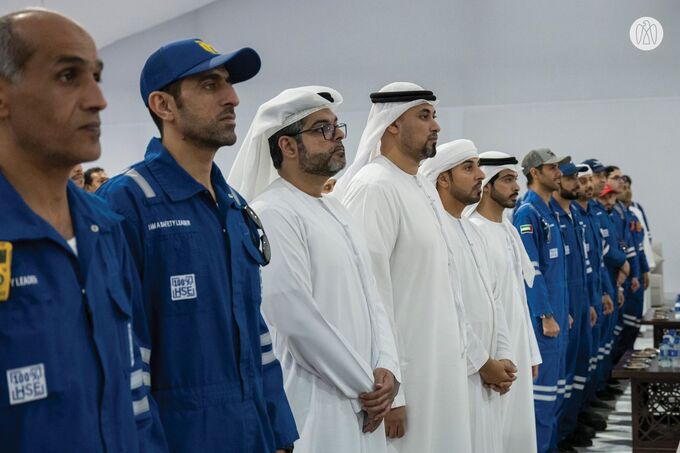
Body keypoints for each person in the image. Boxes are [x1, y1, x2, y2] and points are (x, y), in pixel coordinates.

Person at [97, 39, 297, 453]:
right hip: (180, 437)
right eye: (210, 85)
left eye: (228, 83)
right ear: (163, 105)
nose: (232, 97)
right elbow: (121, 357)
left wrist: (277, 428)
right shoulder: (127, 204)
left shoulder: (232, 205)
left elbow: (255, 329)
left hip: (251, 430)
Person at [0, 9, 165, 451]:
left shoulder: (105, 229)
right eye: (69, 76)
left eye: (96, 76)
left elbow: (135, 396)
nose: (98, 99)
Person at [229, 85, 400, 452]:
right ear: (287, 146)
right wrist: (365, 385)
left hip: (366, 398)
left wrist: (388, 366)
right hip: (318, 400)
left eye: (337, 126)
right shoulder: (272, 211)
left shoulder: (335, 208)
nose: (337, 135)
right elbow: (295, 317)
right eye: (322, 128)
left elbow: (374, 299)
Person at [339, 82, 474, 452]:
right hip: (407, 382)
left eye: (435, 116)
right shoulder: (374, 187)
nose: (437, 126)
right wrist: (394, 394)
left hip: (440, 369)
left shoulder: (421, 186)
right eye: (425, 115)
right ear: (392, 124)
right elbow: (370, 294)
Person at [419, 139, 517, 453]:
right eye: (468, 167)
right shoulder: (433, 231)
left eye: (478, 166)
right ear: (442, 179)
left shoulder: (472, 230)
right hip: (459, 372)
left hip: (487, 372)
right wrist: (484, 363)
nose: (479, 175)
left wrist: (501, 356)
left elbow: (493, 299)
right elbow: (448, 309)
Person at [465, 150, 542, 453]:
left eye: (516, 179)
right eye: (508, 179)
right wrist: (493, 358)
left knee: (520, 429)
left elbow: (519, 300)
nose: (516, 187)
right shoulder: (474, 231)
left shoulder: (508, 230)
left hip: (517, 347)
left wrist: (531, 351)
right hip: (495, 355)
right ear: (488, 185)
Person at [513, 148, 569, 453]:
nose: (559, 173)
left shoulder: (549, 212)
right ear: (535, 172)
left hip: (557, 313)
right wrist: (546, 313)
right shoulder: (528, 213)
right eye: (553, 168)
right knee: (543, 400)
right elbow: (529, 272)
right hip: (541, 321)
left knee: (556, 394)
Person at [550, 161, 593, 450]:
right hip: (561, 305)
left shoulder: (573, 214)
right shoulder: (540, 215)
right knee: (558, 380)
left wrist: (589, 300)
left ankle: (571, 426)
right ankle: (558, 436)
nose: (576, 182)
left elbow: (586, 265)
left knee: (579, 367)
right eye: (569, 177)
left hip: (579, 300)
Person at [572, 164, 610, 434]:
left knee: (589, 359)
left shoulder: (587, 214)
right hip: (573, 304)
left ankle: (580, 412)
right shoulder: (535, 214)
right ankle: (565, 430)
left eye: (587, 180)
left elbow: (597, 262)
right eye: (580, 180)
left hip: (591, 296)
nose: (584, 185)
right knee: (565, 375)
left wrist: (602, 294)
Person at [616, 175, 650, 354]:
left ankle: (626, 364)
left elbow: (640, 246)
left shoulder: (633, 213)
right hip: (625, 279)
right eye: (622, 185)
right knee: (624, 327)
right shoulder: (615, 215)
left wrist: (643, 270)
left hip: (635, 275)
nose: (626, 188)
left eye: (628, 185)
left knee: (634, 324)